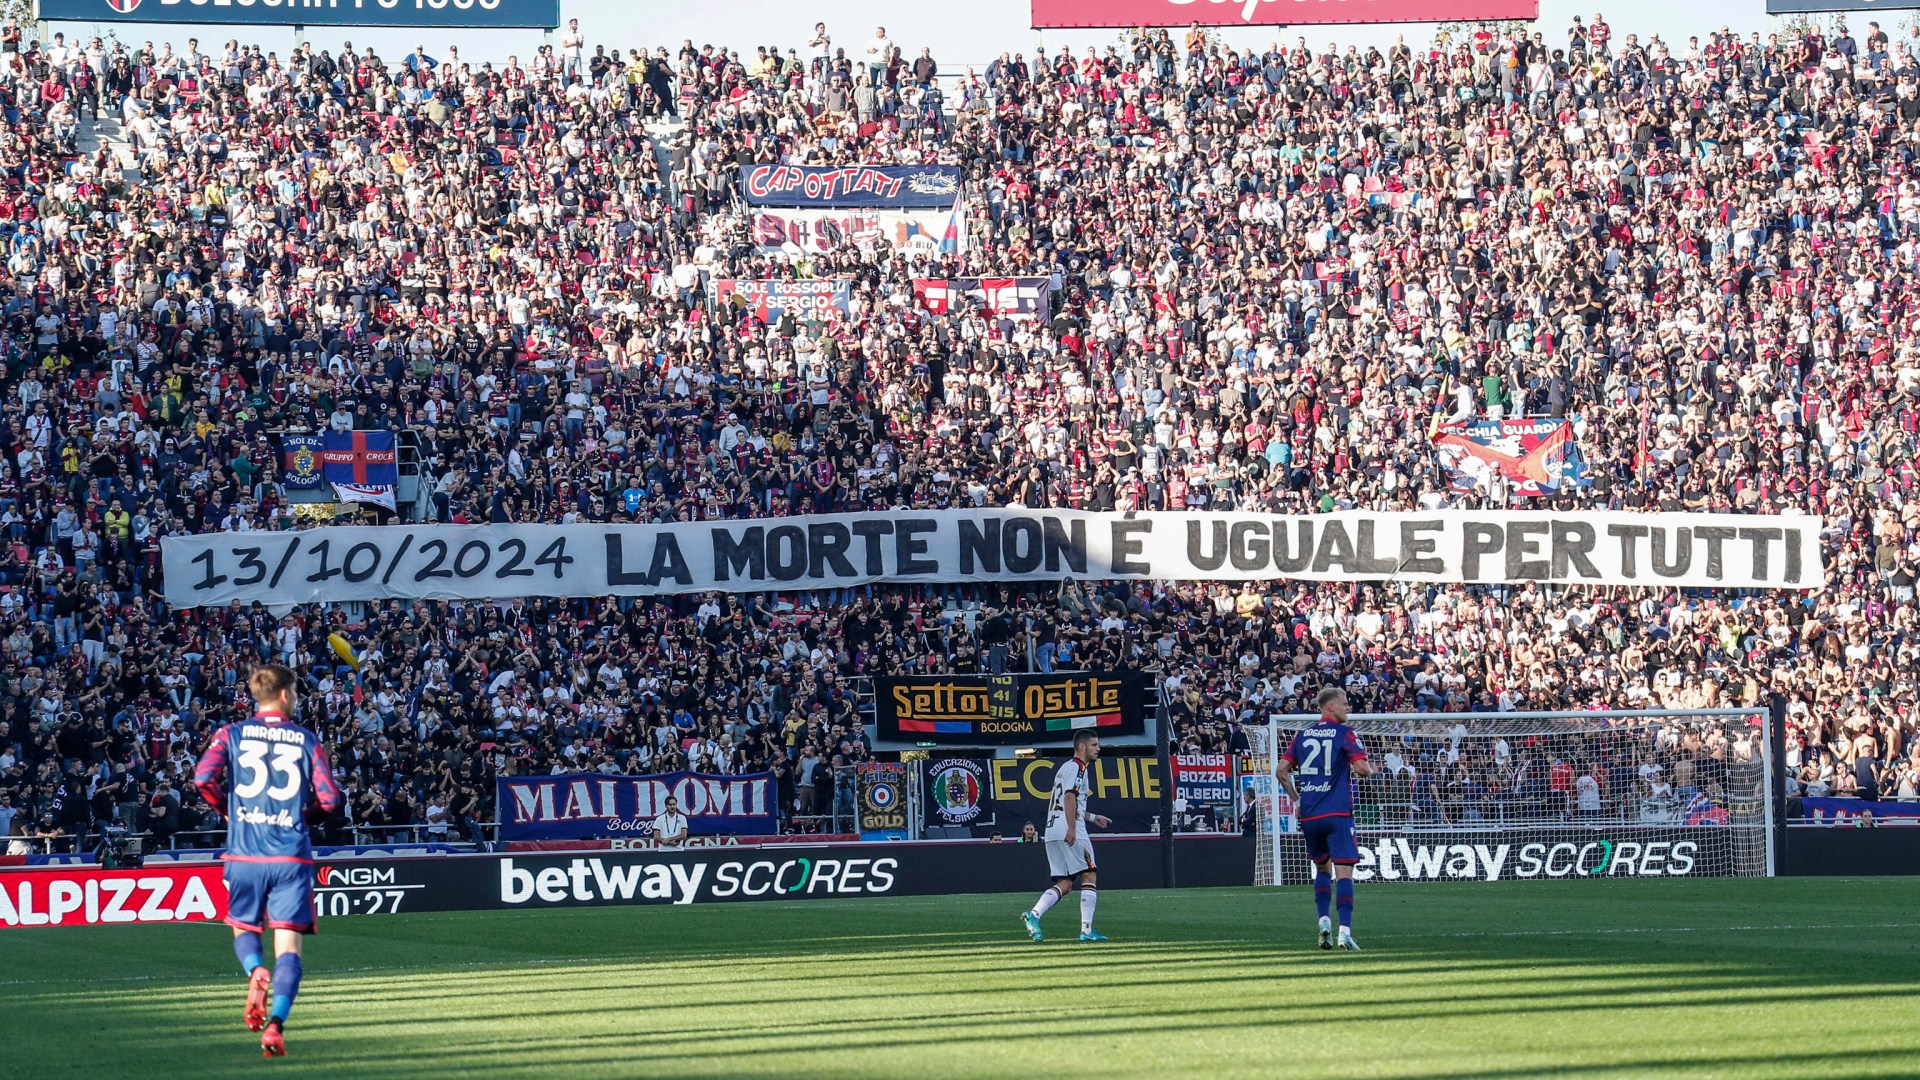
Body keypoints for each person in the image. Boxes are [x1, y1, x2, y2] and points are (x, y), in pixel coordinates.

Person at [192, 664, 343, 1058]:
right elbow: (330, 799)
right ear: (283, 694)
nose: (296, 698)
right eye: (294, 692)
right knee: (289, 949)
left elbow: (202, 778)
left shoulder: (231, 733)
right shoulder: (306, 739)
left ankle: (254, 971)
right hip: (290, 856)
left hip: (244, 854)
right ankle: (276, 1025)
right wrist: (303, 822)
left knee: (244, 928)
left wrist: (229, 813)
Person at [1276, 688, 1375, 951]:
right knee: (1344, 873)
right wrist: (1372, 769)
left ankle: (1323, 922)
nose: (1347, 708)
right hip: (1338, 813)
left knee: (1322, 868)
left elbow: (1281, 771)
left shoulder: (1303, 735)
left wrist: (1297, 801)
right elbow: (1362, 770)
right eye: (1344, 704)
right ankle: (1344, 931)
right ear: (1330, 707)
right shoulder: (1345, 733)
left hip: (1310, 815)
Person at [1021, 730, 1112, 943]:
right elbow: (1069, 797)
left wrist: (1092, 817)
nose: (1098, 749)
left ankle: (1033, 915)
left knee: (1065, 883)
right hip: (1069, 830)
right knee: (1089, 875)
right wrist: (1072, 828)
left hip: (1052, 831)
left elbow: (1067, 802)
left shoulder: (1064, 768)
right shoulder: (1079, 767)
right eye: (1094, 745)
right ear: (1082, 747)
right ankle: (1087, 931)